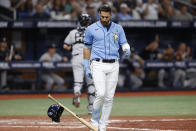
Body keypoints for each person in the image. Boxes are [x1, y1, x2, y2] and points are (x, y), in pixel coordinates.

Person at [83, 4, 131, 131]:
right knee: (101, 93)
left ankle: (103, 125)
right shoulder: (91, 29)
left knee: (109, 97)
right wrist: (86, 66)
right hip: (98, 63)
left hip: (114, 64)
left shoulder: (118, 28)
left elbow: (124, 43)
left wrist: (127, 49)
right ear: (99, 14)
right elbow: (87, 48)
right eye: (102, 16)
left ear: (110, 15)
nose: (104, 19)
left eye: (106, 16)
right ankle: (94, 120)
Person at [63, 14, 95, 114]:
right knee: (91, 84)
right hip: (88, 58)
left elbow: (65, 46)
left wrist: (73, 47)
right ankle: (91, 109)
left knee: (78, 82)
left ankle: (77, 93)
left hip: (76, 58)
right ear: (87, 22)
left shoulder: (72, 32)